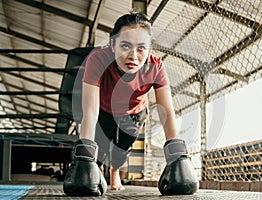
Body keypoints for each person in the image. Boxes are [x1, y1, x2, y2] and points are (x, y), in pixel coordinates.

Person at [63, 11, 199, 196]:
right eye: (125, 46)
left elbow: (166, 110)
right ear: (113, 45)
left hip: (135, 112)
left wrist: (177, 157)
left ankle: (115, 171)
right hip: (103, 110)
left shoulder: (156, 66)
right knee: (100, 147)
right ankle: (99, 169)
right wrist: (85, 158)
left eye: (141, 48)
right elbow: (90, 112)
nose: (133, 56)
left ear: (149, 48)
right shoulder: (98, 59)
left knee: (122, 148)